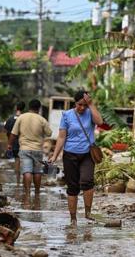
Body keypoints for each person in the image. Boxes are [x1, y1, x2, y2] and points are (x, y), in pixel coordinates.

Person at [49, 90, 103, 226]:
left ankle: (88, 213)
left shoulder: (90, 113)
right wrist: (55, 155)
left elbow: (100, 122)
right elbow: (61, 137)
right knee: (72, 187)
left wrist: (91, 104)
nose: (82, 108)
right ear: (75, 103)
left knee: (87, 181)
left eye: (85, 105)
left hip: (87, 154)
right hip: (70, 154)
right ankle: (73, 218)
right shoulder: (66, 115)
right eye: (80, 105)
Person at [7, 99, 52, 204]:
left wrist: (9, 145)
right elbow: (49, 133)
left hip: (25, 148)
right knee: (37, 171)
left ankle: (27, 193)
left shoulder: (21, 117)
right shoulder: (42, 119)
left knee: (27, 171)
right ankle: (36, 192)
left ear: (29, 107)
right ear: (39, 108)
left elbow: (13, 133)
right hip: (37, 149)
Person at [4, 101, 26, 185]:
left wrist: (9, 143)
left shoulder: (10, 118)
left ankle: (17, 181)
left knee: (17, 161)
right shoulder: (25, 118)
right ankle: (25, 181)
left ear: (16, 107)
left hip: (14, 143)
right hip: (24, 143)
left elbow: (6, 130)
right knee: (25, 161)